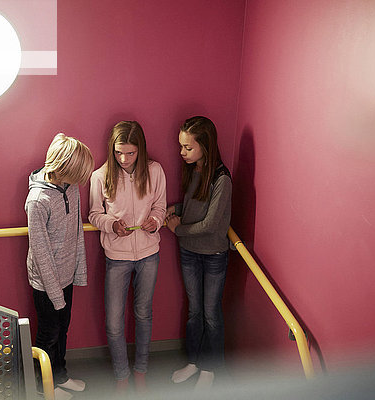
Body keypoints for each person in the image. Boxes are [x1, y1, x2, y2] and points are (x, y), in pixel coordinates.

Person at [88, 121, 166, 394]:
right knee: (114, 320)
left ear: (140, 150)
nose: (124, 159)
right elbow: (94, 214)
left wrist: (155, 221)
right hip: (116, 256)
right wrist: (111, 224)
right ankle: (122, 374)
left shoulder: (155, 171)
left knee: (144, 314)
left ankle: (141, 371)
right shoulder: (100, 176)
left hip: (148, 255)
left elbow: (160, 207)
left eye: (130, 153)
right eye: (119, 152)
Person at [25, 133, 94, 400]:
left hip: (66, 277)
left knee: (63, 329)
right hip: (45, 284)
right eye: (77, 174)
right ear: (63, 168)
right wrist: (55, 295)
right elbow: (40, 253)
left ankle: (60, 375)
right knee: (48, 334)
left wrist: (79, 271)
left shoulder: (71, 187)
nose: (80, 181)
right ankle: (42, 388)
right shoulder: (37, 201)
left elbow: (77, 230)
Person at [165, 116, 232, 390]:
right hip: (189, 253)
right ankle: (194, 362)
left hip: (213, 254)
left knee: (211, 313)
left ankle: (210, 368)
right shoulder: (195, 170)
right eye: (181, 146)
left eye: (188, 148)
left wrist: (177, 229)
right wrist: (176, 209)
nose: (182, 153)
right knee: (194, 311)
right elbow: (196, 206)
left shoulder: (222, 179)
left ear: (205, 146)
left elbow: (210, 224)